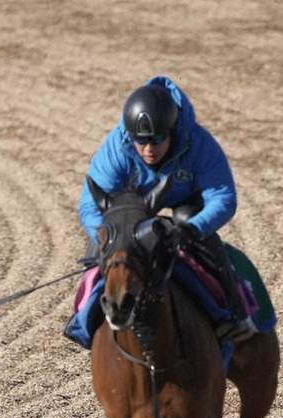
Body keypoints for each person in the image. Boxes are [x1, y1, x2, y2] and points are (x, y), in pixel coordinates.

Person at [76, 75, 256, 340]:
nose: (149, 150)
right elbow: (90, 208)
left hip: (186, 205)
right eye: (141, 141)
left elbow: (223, 198)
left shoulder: (199, 143)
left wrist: (193, 230)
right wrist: (110, 239)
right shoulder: (117, 146)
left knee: (188, 221)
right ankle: (82, 320)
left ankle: (234, 313)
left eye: (158, 139)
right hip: (131, 208)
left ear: (172, 130)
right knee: (103, 247)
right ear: (129, 135)